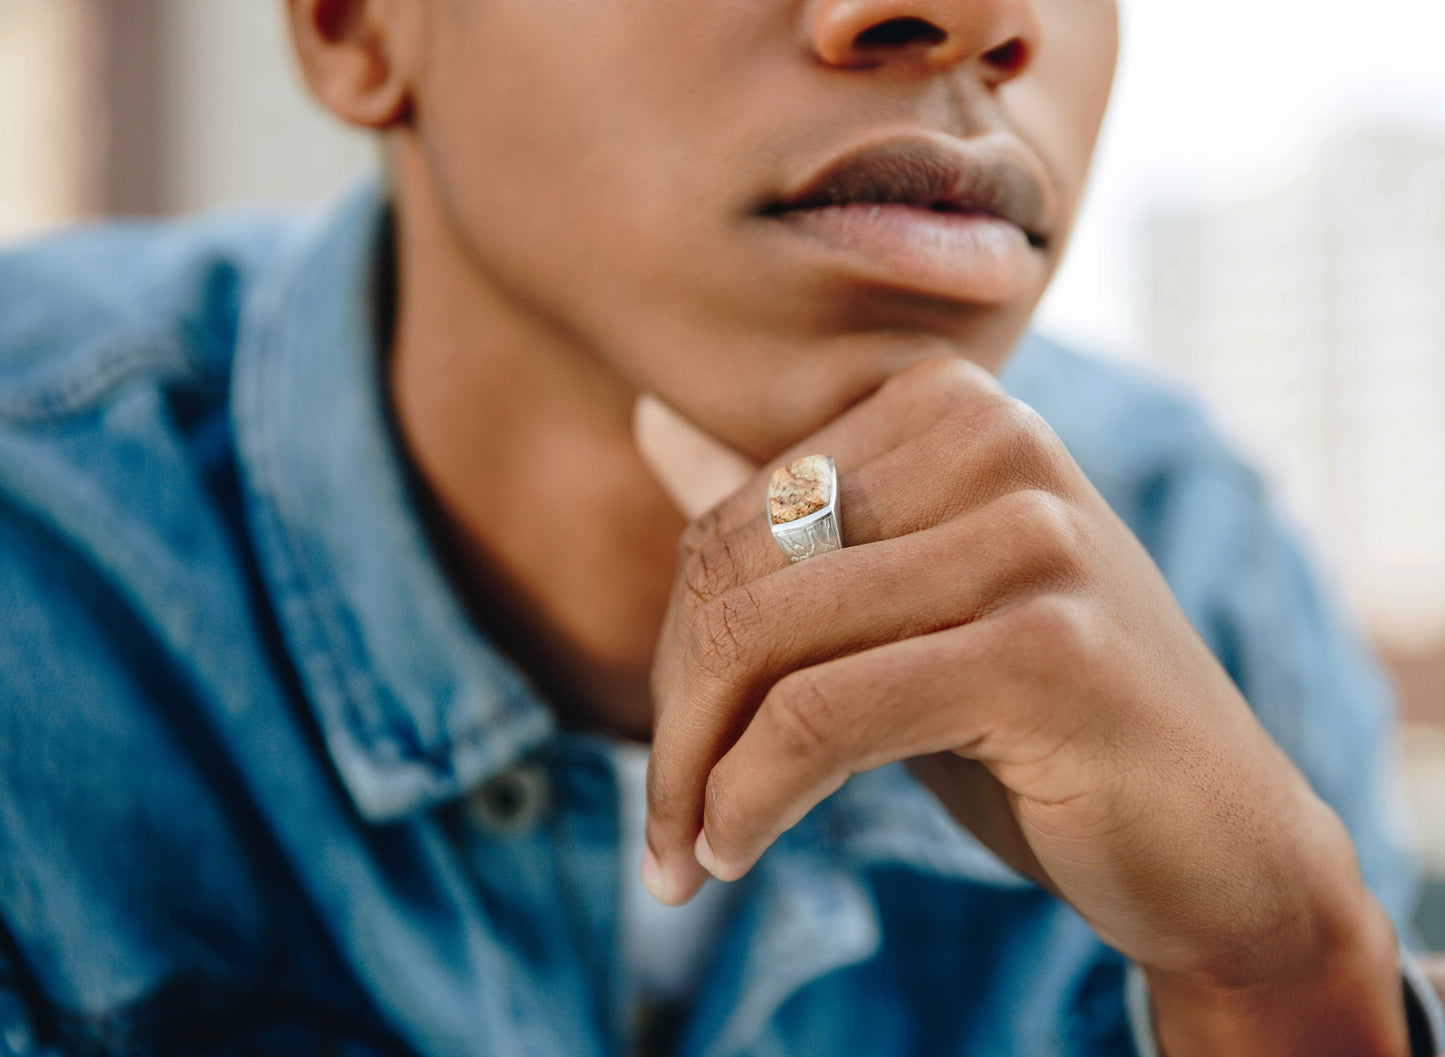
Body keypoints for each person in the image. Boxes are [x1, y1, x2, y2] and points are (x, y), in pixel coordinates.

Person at [0, 0, 1441, 1054]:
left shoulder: (1202, 559)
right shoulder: (39, 557)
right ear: (355, 25)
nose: (974, 22)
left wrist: (1284, 982)